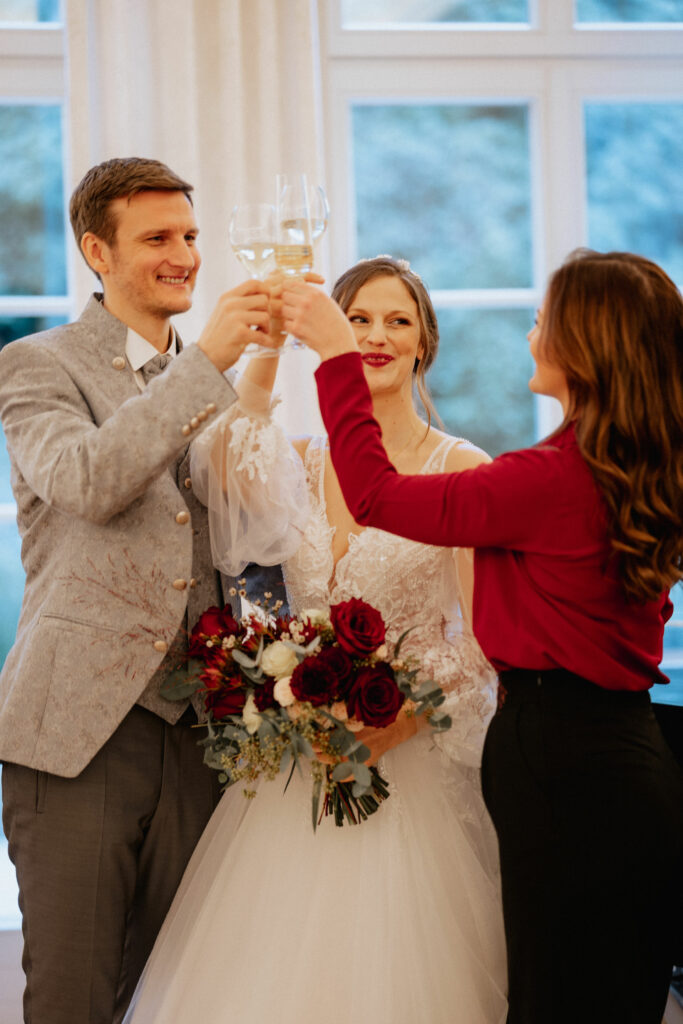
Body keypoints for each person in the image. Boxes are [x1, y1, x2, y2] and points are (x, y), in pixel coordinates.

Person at [280, 249, 683, 1024]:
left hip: (562, 763)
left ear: (584, 347)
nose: (531, 336)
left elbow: (371, 493)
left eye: (543, 322)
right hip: (624, 754)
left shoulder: (547, 478)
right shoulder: (635, 467)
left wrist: (335, 351)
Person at [123, 257, 508, 1023]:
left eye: (397, 321)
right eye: (357, 319)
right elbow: (223, 457)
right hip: (292, 771)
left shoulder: (461, 469)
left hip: (406, 765)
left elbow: (482, 641)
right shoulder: (299, 459)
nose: (374, 336)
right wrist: (269, 337)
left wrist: (397, 718)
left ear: (424, 343)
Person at [0, 156, 282, 1024]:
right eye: (157, 237)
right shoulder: (36, 365)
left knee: (179, 998)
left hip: (203, 731)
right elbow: (87, 478)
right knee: (75, 999)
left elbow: (242, 545)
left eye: (190, 236)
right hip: (78, 732)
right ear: (96, 250)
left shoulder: (219, 378)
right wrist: (211, 362)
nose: (184, 256)